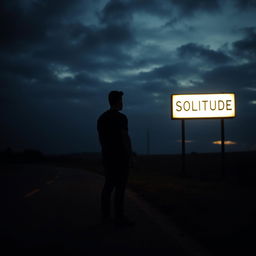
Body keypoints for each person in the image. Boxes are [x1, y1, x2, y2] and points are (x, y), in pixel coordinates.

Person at [97, 91, 134, 227]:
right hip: (120, 157)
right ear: (118, 101)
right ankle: (119, 217)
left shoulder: (101, 118)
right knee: (120, 188)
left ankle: (105, 218)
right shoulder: (121, 118)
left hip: (107, 157)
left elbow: (101, 139)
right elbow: (125, 137)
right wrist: (130, 155)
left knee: (108, 186)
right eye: (121, 100)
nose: (122, 103)